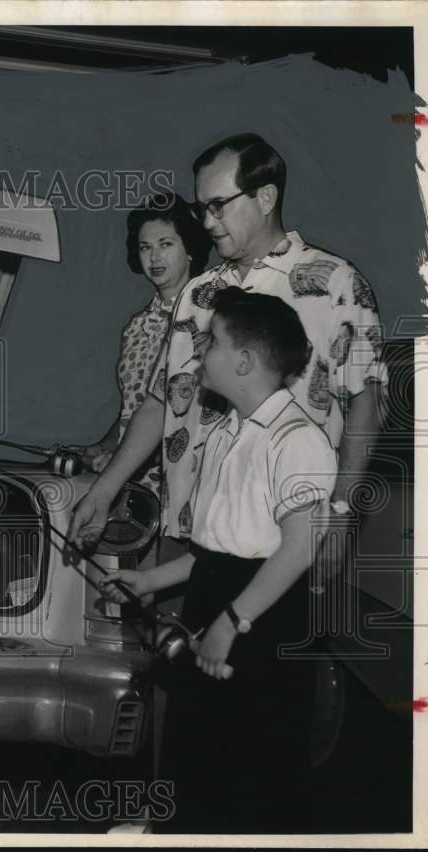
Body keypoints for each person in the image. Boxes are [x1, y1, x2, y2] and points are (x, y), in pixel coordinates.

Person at [68, 132, 387, 559]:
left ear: (266, 197)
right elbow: (162, 399)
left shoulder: (336, 284)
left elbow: (368, 403)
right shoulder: (198, 294)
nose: (206, 222)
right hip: (188, 532)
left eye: (218, 206)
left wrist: (340, 510)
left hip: (284, 537)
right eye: (203, 208)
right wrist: (103, 491)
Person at [100, 287, 336, 832]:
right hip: (224, 595)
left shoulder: (297, 440)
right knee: (198, 748)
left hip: (262, 618)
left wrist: (231, 622)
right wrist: (151, 579)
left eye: (211, 342)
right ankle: (179, 830)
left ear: (246, 361)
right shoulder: (229, 431)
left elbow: (297, 550)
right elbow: (220, 549)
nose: (199, 353)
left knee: (250, 771)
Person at [82, 192, 212, 499]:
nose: (154, 257)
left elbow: (189, 415)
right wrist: (105, 445)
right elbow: (139, 406)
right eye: (145, 247)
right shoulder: (139, 325)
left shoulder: (207, 319)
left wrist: (121, 463)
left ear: (189, 248)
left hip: (183, 481)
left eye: (166, 244)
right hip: (130, 480)